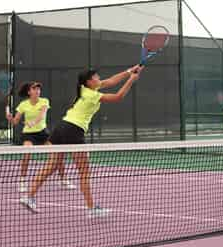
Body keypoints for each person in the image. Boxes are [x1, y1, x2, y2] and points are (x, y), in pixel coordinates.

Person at [21, 65, 142, 217]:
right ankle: (91, 209)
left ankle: (29, 196)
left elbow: (111, 81)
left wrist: (130, 71)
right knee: (84, 171)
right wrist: (131, 80)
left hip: (61, 128)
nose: (99, 79)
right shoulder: (92, 95)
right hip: (73, 130)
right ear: (89, 82)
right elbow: (118, 97)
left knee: (51, 166)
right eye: (96, 77)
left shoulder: (85, 90)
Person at [6, 81, 76, 193]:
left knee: (57, 155)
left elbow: (42, 115)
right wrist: (10, 118)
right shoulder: (23, 105)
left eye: (38, 89)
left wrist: (33, 122)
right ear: (29, 92)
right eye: (34, 89)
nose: (37, 91)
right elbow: (15, 122)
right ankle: (22, 182)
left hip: (43, 133)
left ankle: (64, 179)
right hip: (28, 135)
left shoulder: (44, 101)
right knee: (27, 153)